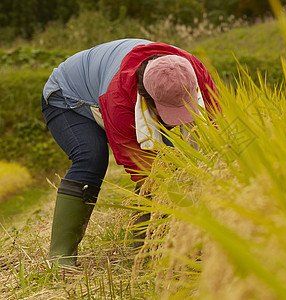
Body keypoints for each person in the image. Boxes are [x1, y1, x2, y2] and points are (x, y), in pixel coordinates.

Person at [41, 39, 220, 267]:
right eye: (167, 110)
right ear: (146, 99)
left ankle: (171, 243)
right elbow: (142, 169)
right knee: (91, 157)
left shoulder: (195, 73)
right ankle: (61, 258)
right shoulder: (118, 98)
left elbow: (216, 136)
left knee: (177, 157)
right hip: (68, 97)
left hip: (109, 86)